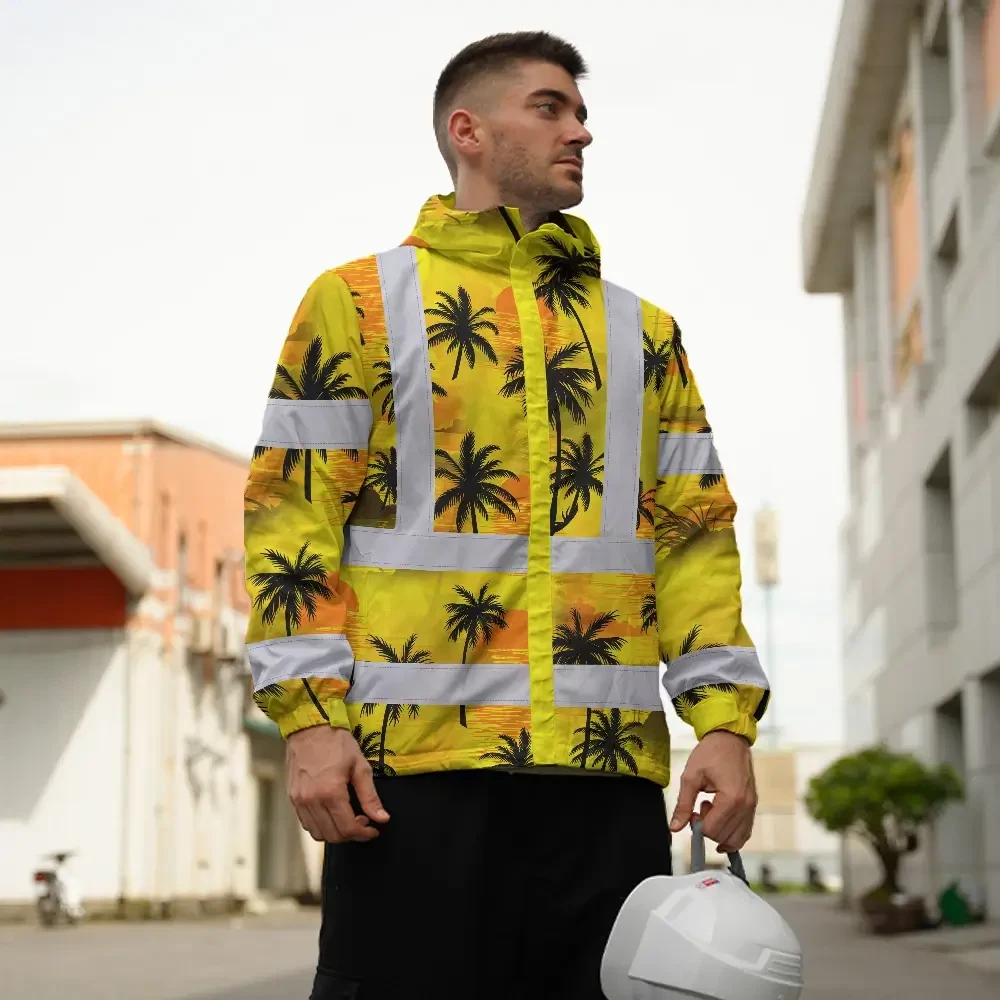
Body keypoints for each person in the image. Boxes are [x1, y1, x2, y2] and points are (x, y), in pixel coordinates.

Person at [243, 30, 769, 1000]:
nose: (581, 131)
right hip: (409, 780)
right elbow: (291, 519)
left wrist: (724, 724)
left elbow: (696, 538)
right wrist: (310, 722)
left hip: (606, 788)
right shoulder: (357, 303)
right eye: (550, 107)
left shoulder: (644, 333)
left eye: (581, 111)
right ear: (468, 131)